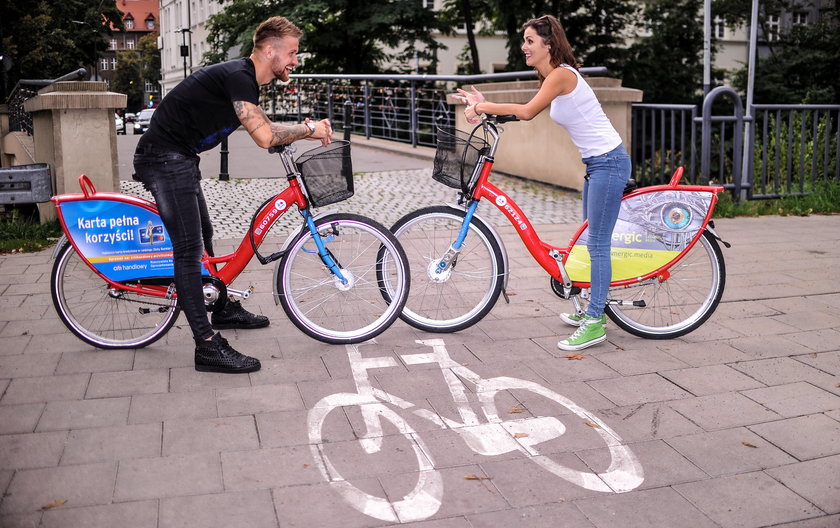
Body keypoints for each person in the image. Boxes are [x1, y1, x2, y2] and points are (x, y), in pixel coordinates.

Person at [133, 16, 333, 373]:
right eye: (291, 52)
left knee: (205, 235)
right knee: (188, 249)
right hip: (162, 159)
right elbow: (264, 137)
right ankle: (206, 346)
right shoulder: (240, 76)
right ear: (269, 50)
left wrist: (297, 133)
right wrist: (308, 129)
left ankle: (220, 306)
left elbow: (265, 127)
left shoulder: (245, 79)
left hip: (179, 157)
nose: (295, 60)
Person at [453, 14, 630, 352]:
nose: (524, 46)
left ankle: (595, 321)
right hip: (597, 164)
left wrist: (483, 105)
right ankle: (592, 311)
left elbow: (527, 111)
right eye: (524, 40)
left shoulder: (562, 76)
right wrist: (484, 108)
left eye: (530, 40)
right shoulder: (553, 77)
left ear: (549, 44)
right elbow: (521, 112)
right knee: (591, 239)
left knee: (596, 245)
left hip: (610, 163)